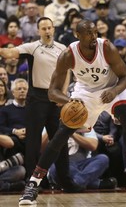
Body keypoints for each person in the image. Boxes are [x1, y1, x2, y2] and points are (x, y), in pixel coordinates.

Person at [18, 19, 126, 205]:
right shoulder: (68, 54)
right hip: (84, 93)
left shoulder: (106, 47)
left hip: (112, 88)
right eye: (89, 33)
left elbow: (125, 76)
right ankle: (33, 184)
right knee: (61, 135)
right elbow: (52, 92)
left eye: (95, 32)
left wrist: (115, 91)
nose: (94, 36)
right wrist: (69, 101)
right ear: (78, 35)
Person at [0, 17, 82, 194]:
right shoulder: (32, 47)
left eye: (49, 28)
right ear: (38, 31)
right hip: (36, 99)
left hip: (56, 98)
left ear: (54, 29)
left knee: (59, 142)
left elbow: (67, 71)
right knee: (33, 143)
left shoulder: (62, 48)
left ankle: (65, 181)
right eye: (43, 28)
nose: (47, 31)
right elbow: (9, 53)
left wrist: (64, 94)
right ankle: (33, 183)